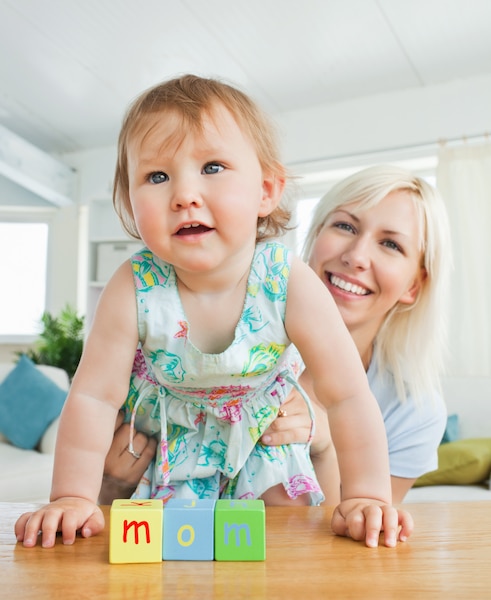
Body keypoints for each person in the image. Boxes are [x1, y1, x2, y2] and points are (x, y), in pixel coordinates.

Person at [15, 75, 412, 550]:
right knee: (152, 551)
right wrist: (71, 496)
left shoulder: (289, 281)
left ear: (266, 191)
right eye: (157, 176)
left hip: (260, 438)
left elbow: (347, 395)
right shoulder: (132, 285)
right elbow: (94, 398)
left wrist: (366, 495)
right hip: (165, 441)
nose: (184, 194)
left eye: (213, 167)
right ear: (128, 203)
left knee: (288, 528)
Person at [102, 164, 451, 506]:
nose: (356, 257)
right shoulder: (174, 344)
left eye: (390, 245)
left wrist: (325, 447)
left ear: (414, 285)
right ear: (315, 236)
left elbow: (354, 548)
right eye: (345, 226)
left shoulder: (413, 410)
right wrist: (111, 485)